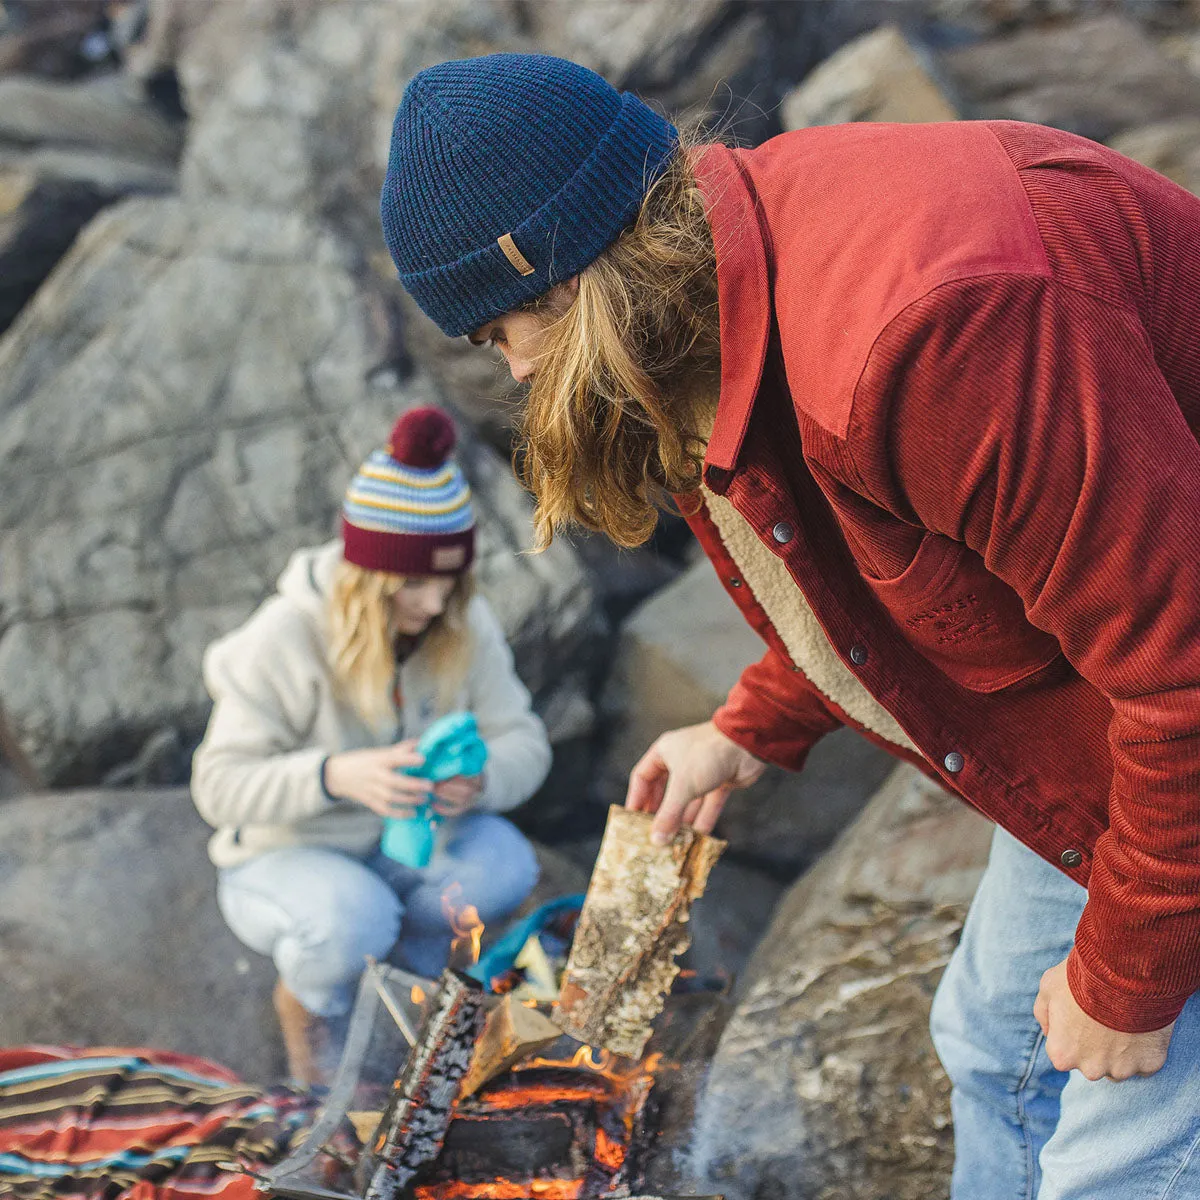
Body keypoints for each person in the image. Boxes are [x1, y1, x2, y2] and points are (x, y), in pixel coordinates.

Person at [377, 52, 1200, 1200]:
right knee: (991, 1041)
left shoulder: (930, 335)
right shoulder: (722, 281)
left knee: (1116, 1153)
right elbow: (893, 561)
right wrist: (748, 726)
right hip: (1116, 707)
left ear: (568, 278)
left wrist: (1128, 977)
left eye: (499, 329)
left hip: (1174, 725)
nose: (513, 370)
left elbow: (1186, 679)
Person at [191, 406, 548, 1088]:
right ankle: (311, 1010)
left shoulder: (463, 623)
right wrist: (333, 775)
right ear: (365, 578)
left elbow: (525, 741)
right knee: (351, 920)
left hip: (407, 847)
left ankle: (398, 996)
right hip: (287, 856)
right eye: (413, 583)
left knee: (504, 861)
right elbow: (217, 785)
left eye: (450, 581)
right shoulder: (285, 638)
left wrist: (482, 782)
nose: (435, 604)